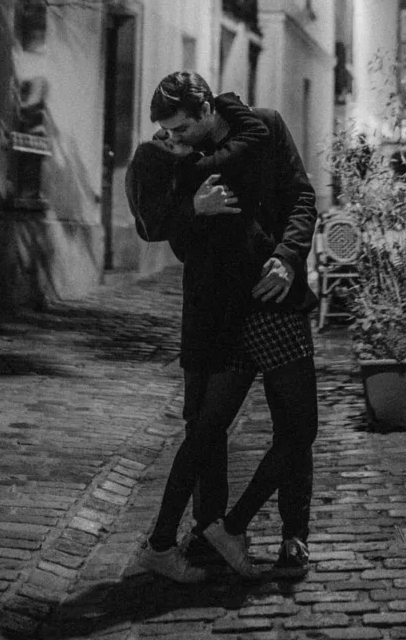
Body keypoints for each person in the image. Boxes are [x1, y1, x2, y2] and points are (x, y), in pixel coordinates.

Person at [125, 72, 318, 585]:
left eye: (183, 127)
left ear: (207, 108)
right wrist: (194, 208)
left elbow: (301, 198)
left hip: (273, 296)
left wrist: (288, 257)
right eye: (170, 130)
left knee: (293, 423)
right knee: (206, 427)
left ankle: (293, 534)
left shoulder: (265, 128)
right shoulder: (178, 159)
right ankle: (207, 531)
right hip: (213, 308)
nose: (175, 138)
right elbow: (164, 228)